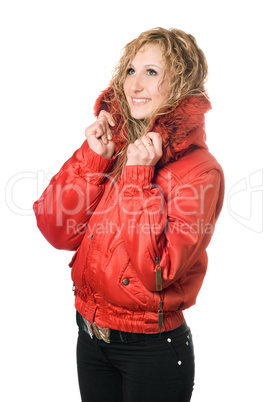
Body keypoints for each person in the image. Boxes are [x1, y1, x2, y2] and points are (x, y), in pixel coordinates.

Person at [33, 27, 224, 402]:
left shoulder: (200, 172)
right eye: (131, 71)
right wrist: (94, 158)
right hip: (89, 337)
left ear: (181, 83)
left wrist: (138, 180)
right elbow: (57, 231)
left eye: (152, 72)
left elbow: (158, 272)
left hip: (150, 350)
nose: (135, 85)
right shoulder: (114, 145)